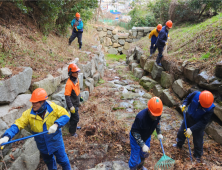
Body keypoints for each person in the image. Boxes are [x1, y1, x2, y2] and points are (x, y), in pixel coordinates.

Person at [0, 88, 71, 170]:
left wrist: (56, 124)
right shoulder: (28, 114)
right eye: (32, 102)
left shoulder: (53, 108)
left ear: (43, 102)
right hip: (43, 147)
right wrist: (7, 137)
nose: (33, 104)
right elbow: (18, 124)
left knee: (63, 161)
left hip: (56, 143)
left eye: (35, 102)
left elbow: (66, 115)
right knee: (50, 164)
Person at [173, 90, 215, 162]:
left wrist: (191, 129)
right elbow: (188, 99)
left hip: (198, 124)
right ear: (199, 100)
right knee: (181, 132)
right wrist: (184, 104)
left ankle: (197, 155)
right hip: (188, 117)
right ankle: (179, 144)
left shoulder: (210, 108)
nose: (203, 106)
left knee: (198, 141)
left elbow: (203, 122)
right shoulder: (195, 94)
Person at [129, 97, 164, 170]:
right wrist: (142, 144)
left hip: (147, 136)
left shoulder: (157, 113)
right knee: (135, 157)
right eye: (153, 115)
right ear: (149, 110)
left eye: (156, 115)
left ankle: (140, 166)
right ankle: (133, 168)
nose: (155, 117)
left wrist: (159, 132)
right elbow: (134, 132)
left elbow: (157, 122)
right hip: (136, 139)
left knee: (145, 154)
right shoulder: (141, 117)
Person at [65, 63, 83, 137]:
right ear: (71, 73)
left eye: (77, 72)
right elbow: (67, 96)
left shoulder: (76, 79)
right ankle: (72, 132)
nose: (77, 73)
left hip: (76, 102)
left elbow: (77, 89)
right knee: (76, 118)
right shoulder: (69, 84)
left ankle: (74, 127)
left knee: (73, 117)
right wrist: (71, 106)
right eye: (75, 72)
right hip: (72, 104)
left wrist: (80, 96)